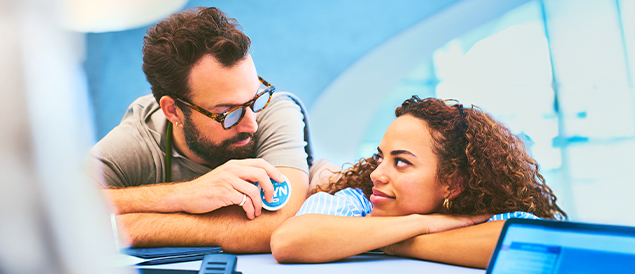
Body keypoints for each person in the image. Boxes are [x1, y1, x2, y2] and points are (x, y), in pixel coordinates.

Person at [86, 7, 311, 253]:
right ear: (172, 111)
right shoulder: (139, 140)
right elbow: (57, 206)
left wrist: (131, 227)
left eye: (254, 98)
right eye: (228, 113)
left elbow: (279, 223)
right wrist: (183, 194)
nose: (252, 124)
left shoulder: (276, 111)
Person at [271, 96, 565, 268]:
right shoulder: (359, 202)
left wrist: (397, 243)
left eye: (401, 162)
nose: (376, 175)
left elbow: (537, 245)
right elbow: (288, 241)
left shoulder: (481, 216)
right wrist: (422, 223)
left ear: (453, 183)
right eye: (380, 158)